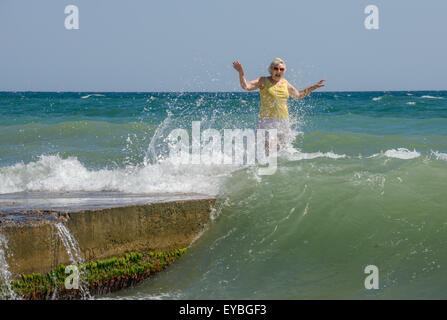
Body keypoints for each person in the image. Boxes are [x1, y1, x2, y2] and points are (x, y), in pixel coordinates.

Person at [233, 58, 325, 151]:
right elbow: (246, 86)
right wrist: (241, 72)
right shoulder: (263, 80)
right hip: (267, 121)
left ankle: (283, 166)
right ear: (271, 69)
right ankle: (257, 164)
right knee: (268, 149)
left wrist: (313, 87)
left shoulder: (285, 83)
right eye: (276, 68)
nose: (278, 71)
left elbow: (299, 95)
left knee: (281, 150)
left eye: (281, 69)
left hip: (283, 121)